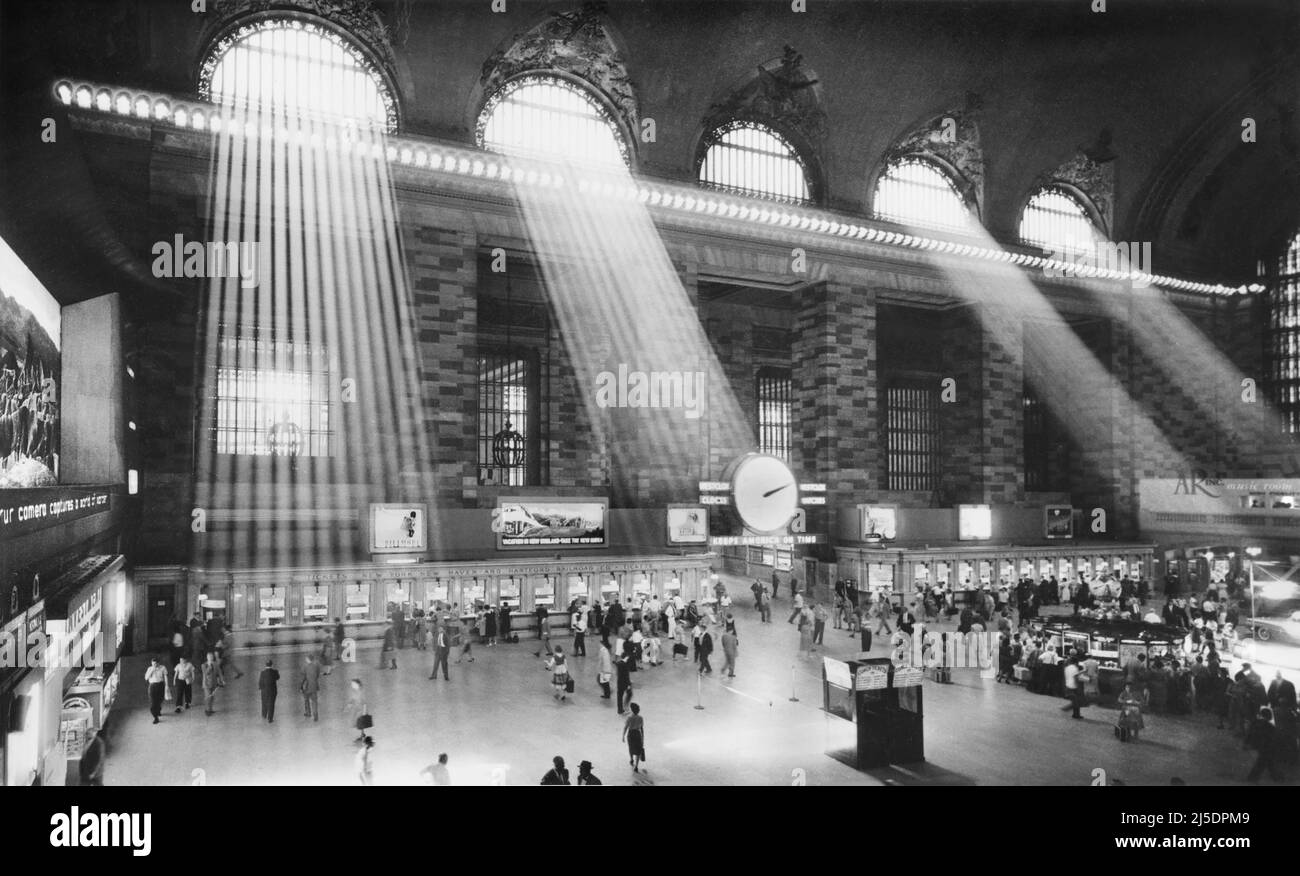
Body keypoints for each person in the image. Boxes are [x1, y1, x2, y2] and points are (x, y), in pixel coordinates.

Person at [1245, 707, 1283, 783]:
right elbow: (1273, 738)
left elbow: (1249, 734)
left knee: (1268, 761)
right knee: (1264, 761)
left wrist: (1246, 743)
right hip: (1266, 746)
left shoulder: (1255, 722)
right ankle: (1252, 778)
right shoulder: (1269, 727)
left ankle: (1276, 776)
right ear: (1269, 717)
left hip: (1258, 745)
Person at [622, 702, 646, 773]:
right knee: (638, 750)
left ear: (632, 710)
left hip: (631, 734)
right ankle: (636, 766)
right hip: (638, 734)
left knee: (631, 748)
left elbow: (625, 727)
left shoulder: (629, 718)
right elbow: (641, 728)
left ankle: (631, 759)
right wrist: (642, 737)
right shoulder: (640, 718)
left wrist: (623, 735)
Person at [201, 651, 225, 716]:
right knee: (208, 697)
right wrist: (209, 667)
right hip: (206, 684)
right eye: (209, 657)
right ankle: (207, 710)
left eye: (211, 657)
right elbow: (205, 673)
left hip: (214, 683)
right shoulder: (203, 665)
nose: (210, 658)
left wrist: (222, 680)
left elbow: (220, 673)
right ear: (207, 657)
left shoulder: (216, 664)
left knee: (212, 697)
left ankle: (210, 709)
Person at [145, 657, 168, 724]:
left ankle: (158, 710)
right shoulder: (150, 668)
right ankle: (155, 717)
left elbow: (165, 676)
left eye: (155, 664)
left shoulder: (163, 667)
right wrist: (152, 670)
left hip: (161, 685)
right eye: (152, 664)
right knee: (153, 702)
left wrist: (167, 686)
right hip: (152, 686)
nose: (154, 665)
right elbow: (146, 678)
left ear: (158, 663)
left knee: (160, 700)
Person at [300, 653, 322, 721]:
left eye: (306, 658)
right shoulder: (316, 666)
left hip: (307, 686)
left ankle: (308, 713)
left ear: (308, 659)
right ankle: (316, 716)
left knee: (306, 700)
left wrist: (300, 686)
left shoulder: (304, 666)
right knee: (314, 701)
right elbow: (318, 675)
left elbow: (303, 677)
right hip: (314, 686)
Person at [258, 658, 280, 723]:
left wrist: (260, 688)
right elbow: (278, 677)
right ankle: (270, 718)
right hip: (272, 691)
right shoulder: (275, 671)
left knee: (264, 702)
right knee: (271, 704)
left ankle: (264, 715)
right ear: (272, 665)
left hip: (264, 691)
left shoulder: (262, 673)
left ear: (265, 665)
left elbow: (260, 682)